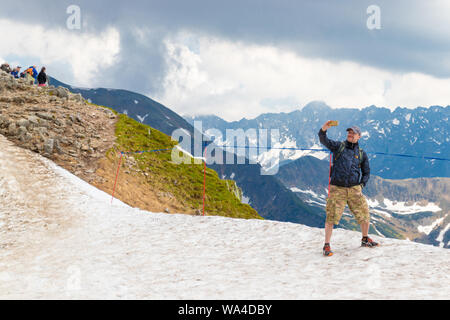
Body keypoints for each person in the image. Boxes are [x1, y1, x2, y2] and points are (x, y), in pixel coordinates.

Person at [319, 121, 379, 257]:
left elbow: (367, 172)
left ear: (359, 136)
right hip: (337, 189)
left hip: (354, 189)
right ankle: (326, 245)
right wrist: (324, 129)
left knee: (364, 213)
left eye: (353, 133)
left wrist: (361, 185)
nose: (350, 135)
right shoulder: (339, 146)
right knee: (331, 216)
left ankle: (365, 239)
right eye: (349, 132)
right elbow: (324, 140)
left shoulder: (362, 154)